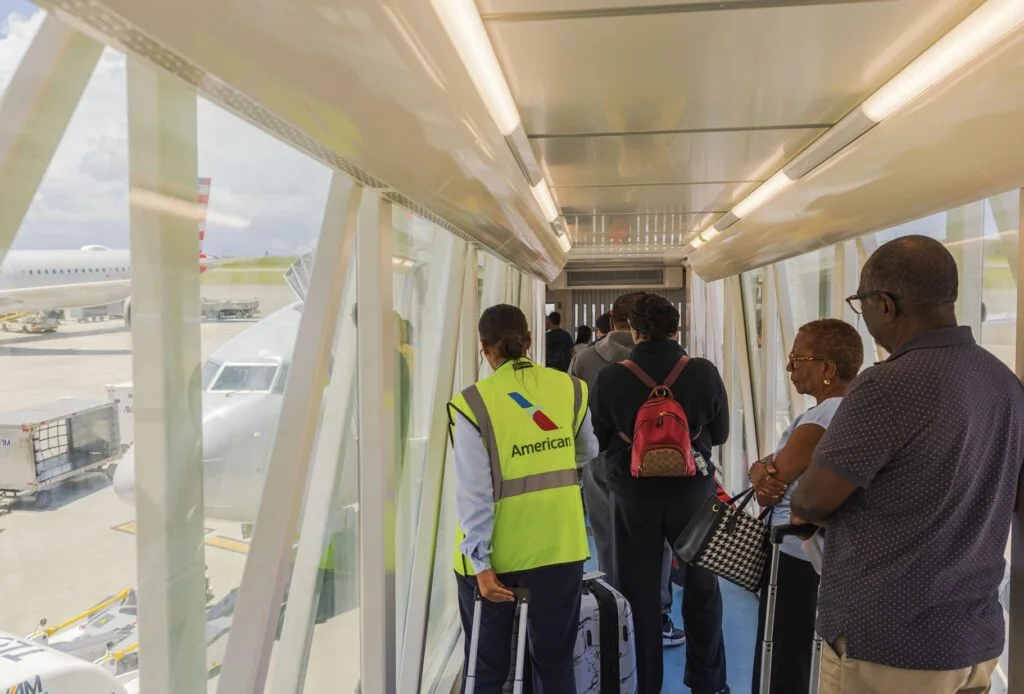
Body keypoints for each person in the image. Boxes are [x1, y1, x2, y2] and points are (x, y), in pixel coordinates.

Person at [792, 235, 1024, 694]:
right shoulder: (1004, 383)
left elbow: (812, 501)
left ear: (885, 304)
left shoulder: (885, 387)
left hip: (888, 646)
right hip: (974, 639)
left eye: (863, 305)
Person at [451, 304, 598, 694]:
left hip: (498, 557)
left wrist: (479, 563)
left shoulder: (472, 403)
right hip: (559, 546)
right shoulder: (569, 388)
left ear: (484, 350)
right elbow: (587, 451)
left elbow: (474, 492)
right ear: (530, 341)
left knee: (486, 668)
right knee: (554, 664)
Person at [590, 293, 730, 694]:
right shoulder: (703, 372)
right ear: (676, 329)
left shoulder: (611, 377)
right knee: (703, 589)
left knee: (638, 593)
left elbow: (598, 442)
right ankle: (708, 681)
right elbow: (719, 435)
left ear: (633, 331)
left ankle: (644, 682)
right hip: (694, 496)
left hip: (633, 496)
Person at [748, 319, 863, 694]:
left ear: (827, 369)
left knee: (782, 652)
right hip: (829, 555)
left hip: (793, 555)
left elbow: (770, 487)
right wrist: (764, 467)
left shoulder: (818, 419)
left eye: (797, 359)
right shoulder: (858, 411)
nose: (789, 368)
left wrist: (758, 471)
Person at [571, 292, 686, 647]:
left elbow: (575, 413)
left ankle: (615, 616)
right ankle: (660, 615)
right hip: (657, 465)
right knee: (660, 542)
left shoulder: (585, 359)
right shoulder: (674, 360)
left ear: (610, 319)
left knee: (607, 538)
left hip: (600, 461)